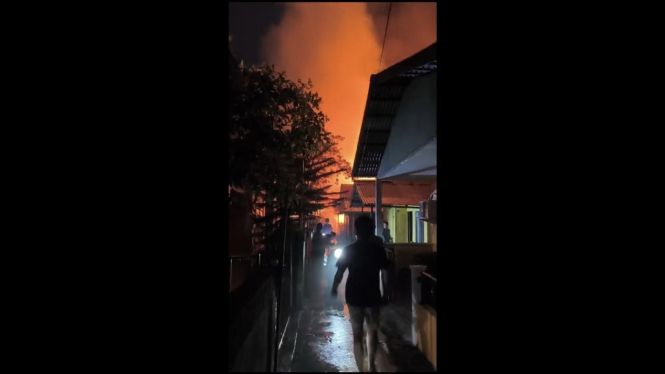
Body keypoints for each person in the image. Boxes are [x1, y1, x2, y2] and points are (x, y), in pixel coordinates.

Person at [331, 215, 390, 372]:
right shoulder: (378, 250)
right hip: (372, 296)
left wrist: (334, 287)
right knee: (372, 331)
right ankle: (370, 366)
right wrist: (386, 292)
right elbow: (385, 273)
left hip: (354, 296)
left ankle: (362, 369)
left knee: (357, 334)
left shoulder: (349, 250)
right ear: (371, 231)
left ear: (356, 231)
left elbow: (340, 272)